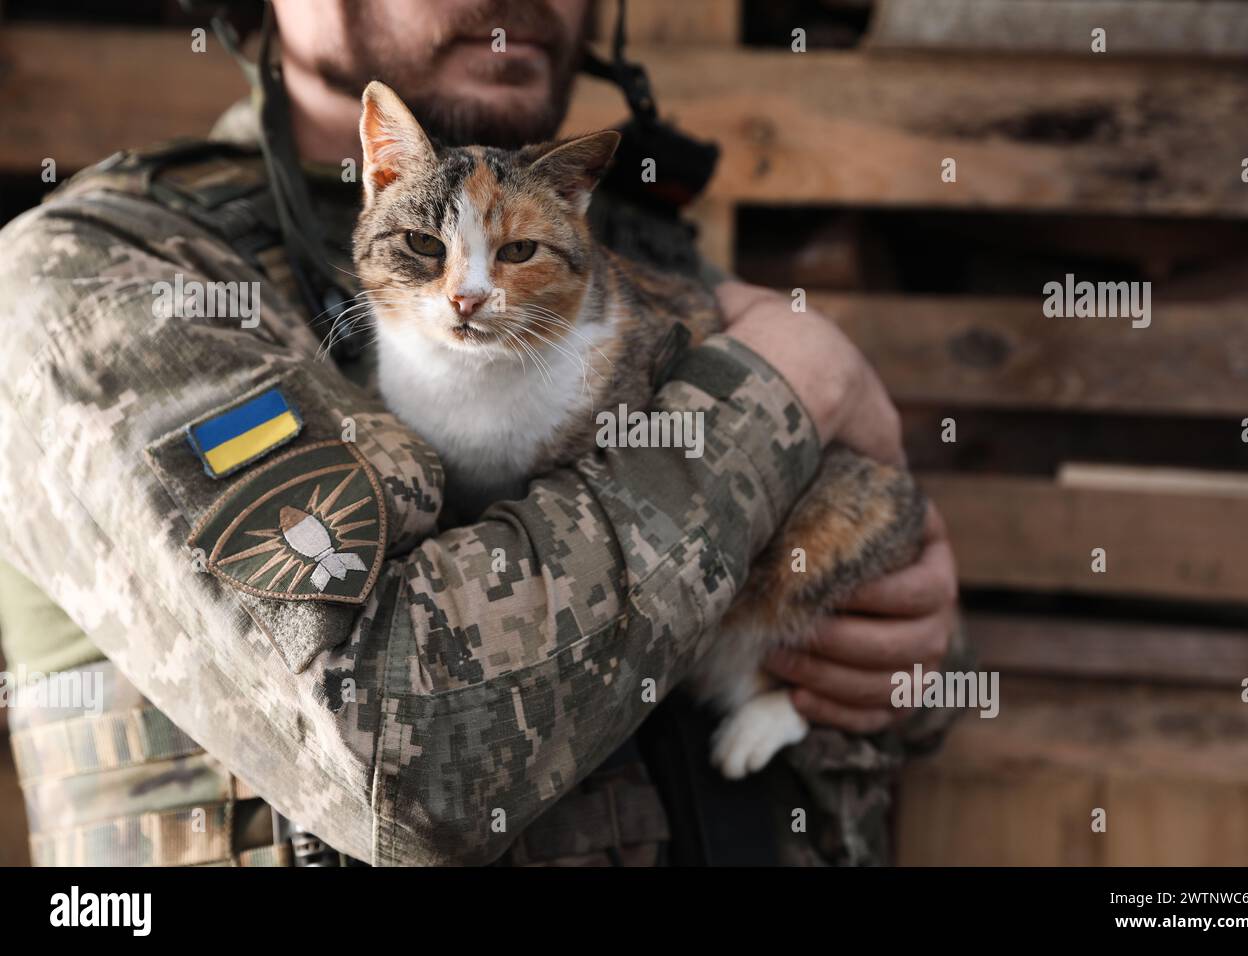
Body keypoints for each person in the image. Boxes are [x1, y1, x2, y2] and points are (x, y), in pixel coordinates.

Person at [0, 0, 963, 867]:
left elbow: (867, 627)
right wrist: (789, 388)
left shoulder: (642, 252)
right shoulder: (102, 277)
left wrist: (909, 648)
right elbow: (403, 764)